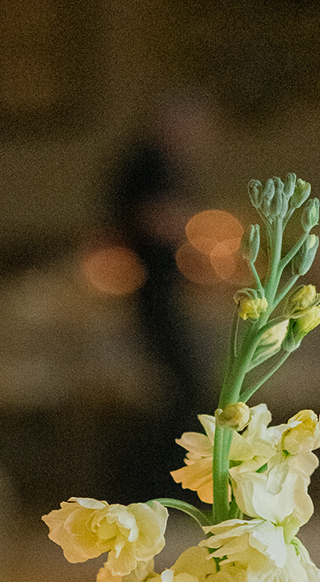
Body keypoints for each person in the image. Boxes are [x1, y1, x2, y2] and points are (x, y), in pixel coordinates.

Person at [106, 89, 220, 500]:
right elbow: (150, 220)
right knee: (185, 388)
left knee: (187, 387)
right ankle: (153, 482)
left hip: (162, 287)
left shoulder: (163, 163)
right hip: (150, 288)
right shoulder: (148, 162)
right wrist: (199, 228)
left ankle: (168, 481)